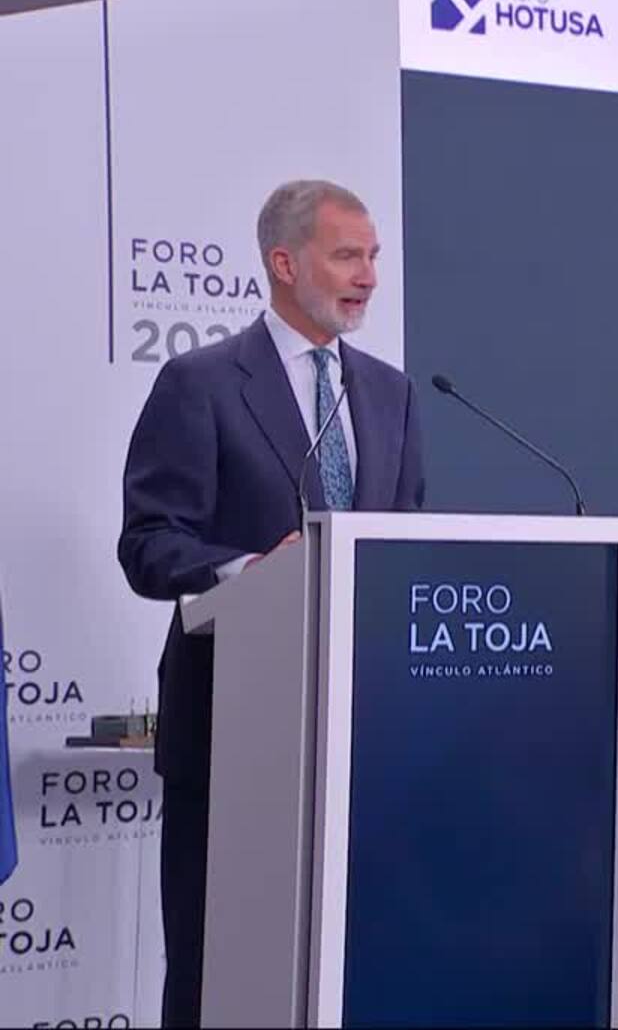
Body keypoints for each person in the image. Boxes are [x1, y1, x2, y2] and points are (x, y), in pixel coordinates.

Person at [118, 179, 425, 1028]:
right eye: (347, 256)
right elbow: (149, 543)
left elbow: (404, 540)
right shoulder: (202, 384)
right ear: (284, 264)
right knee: (214, 968)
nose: (368, 276)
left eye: (373, 257)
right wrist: (254, 571)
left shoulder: (392, 393)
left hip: (363, 736)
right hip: (232, 729)